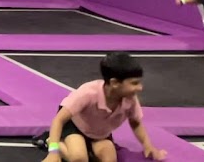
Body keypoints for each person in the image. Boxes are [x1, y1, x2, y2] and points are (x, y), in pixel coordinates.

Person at [36, 52, 165, 162]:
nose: (140, 88)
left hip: (99, 132)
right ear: (114, 83)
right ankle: (51, 140)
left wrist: (147, 145)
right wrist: (53, 152)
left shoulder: (129, 99)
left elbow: (135, 122)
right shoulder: (88, 93)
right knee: (79, 158)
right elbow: (59, 120)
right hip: (74, 126)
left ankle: (87, 147)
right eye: (134, 83)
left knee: (109, 159)